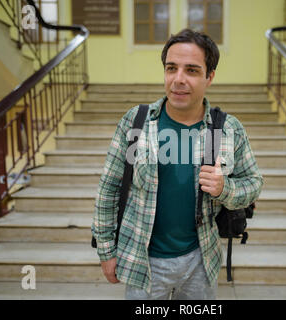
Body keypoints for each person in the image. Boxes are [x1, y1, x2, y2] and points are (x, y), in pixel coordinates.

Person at [92, 28, 264, 300]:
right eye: (171, 68)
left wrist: (223, 189)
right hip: (142, 260)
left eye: (192, 71)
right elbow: (109, 189)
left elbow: (254, 184)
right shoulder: (137, 122)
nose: (178, 80)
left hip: (201, 260)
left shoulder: (224, 129)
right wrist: (105, 250)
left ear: (210, 77)